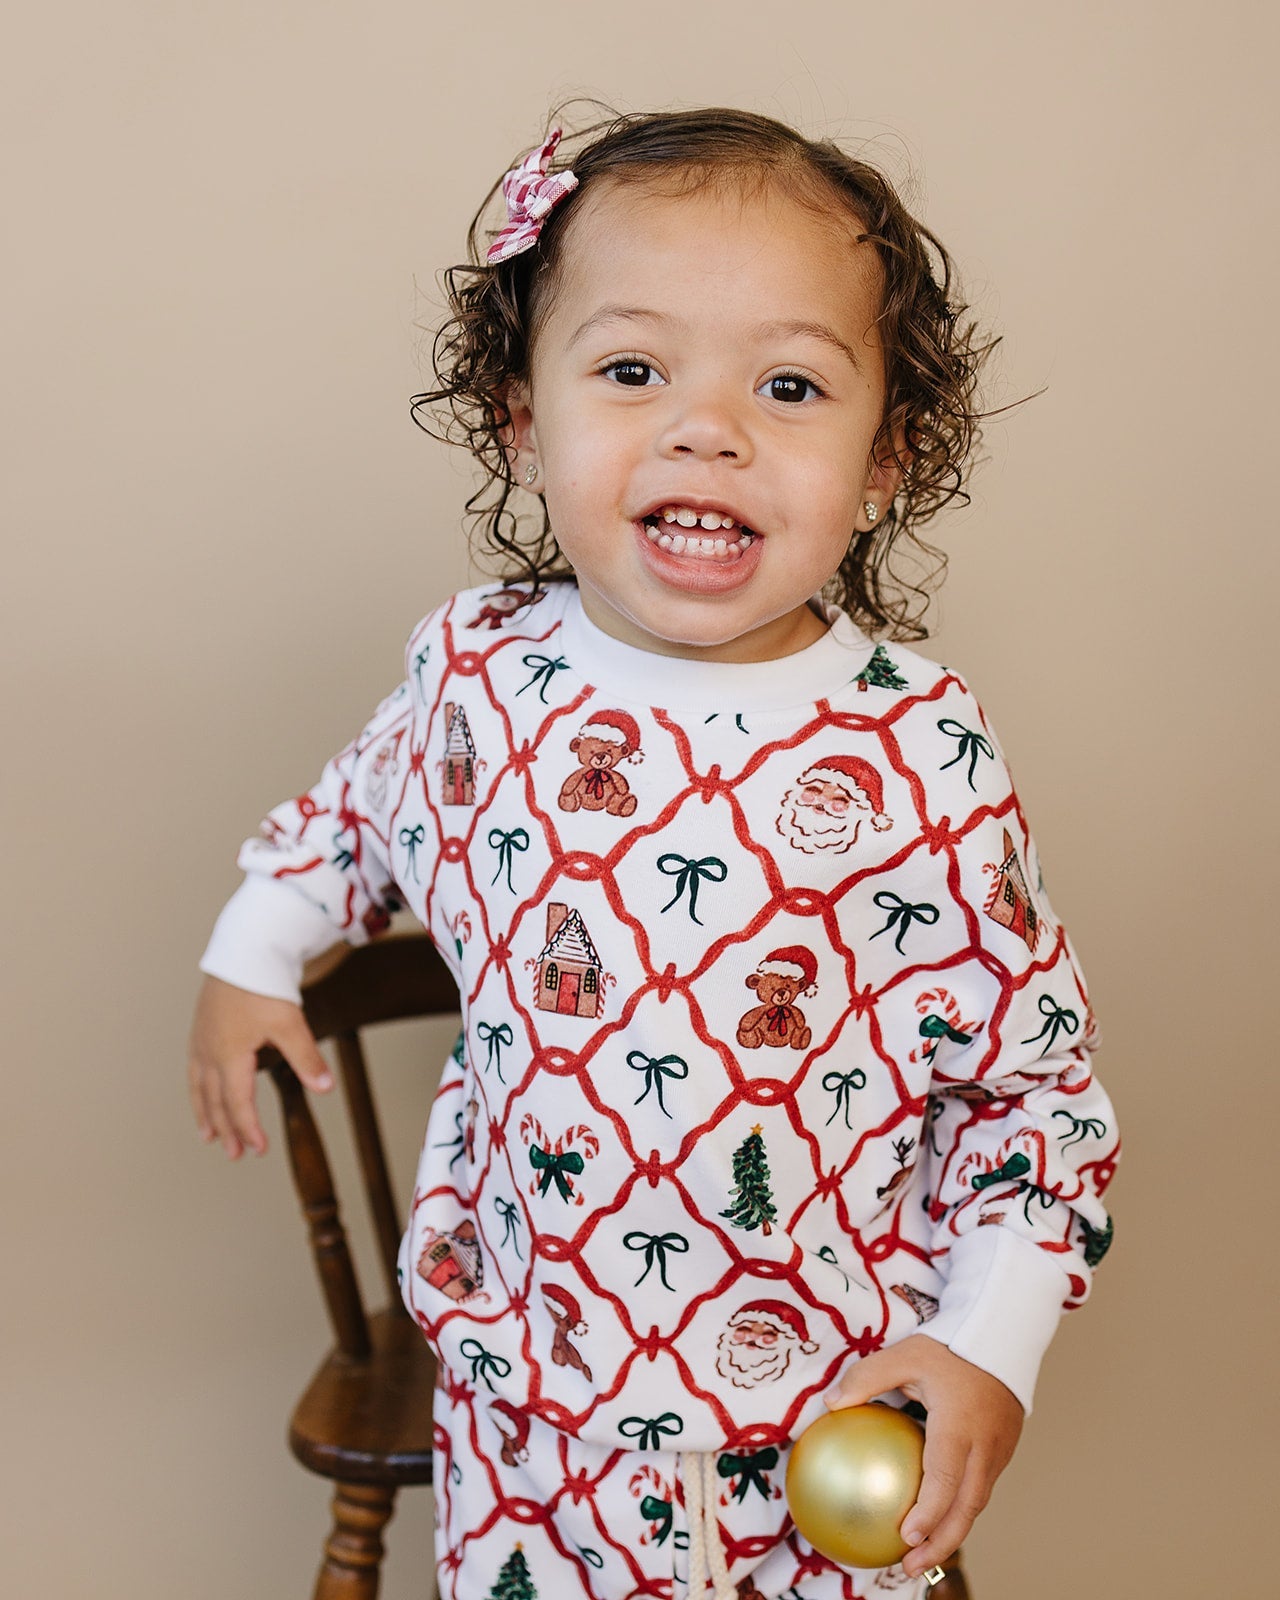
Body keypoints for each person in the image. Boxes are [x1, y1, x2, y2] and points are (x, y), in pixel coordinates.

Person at [188, 107, 1118, 1600]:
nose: (708, 428)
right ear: (521, 417)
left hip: (823, 1413)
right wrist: (254, 949)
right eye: (632, 371)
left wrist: (988, 1343)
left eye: (789, 386)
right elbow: (359, 811)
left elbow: (1032, 1093)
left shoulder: (919, 751)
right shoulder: (480, 675)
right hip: (529, 1398)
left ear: (887, 458)